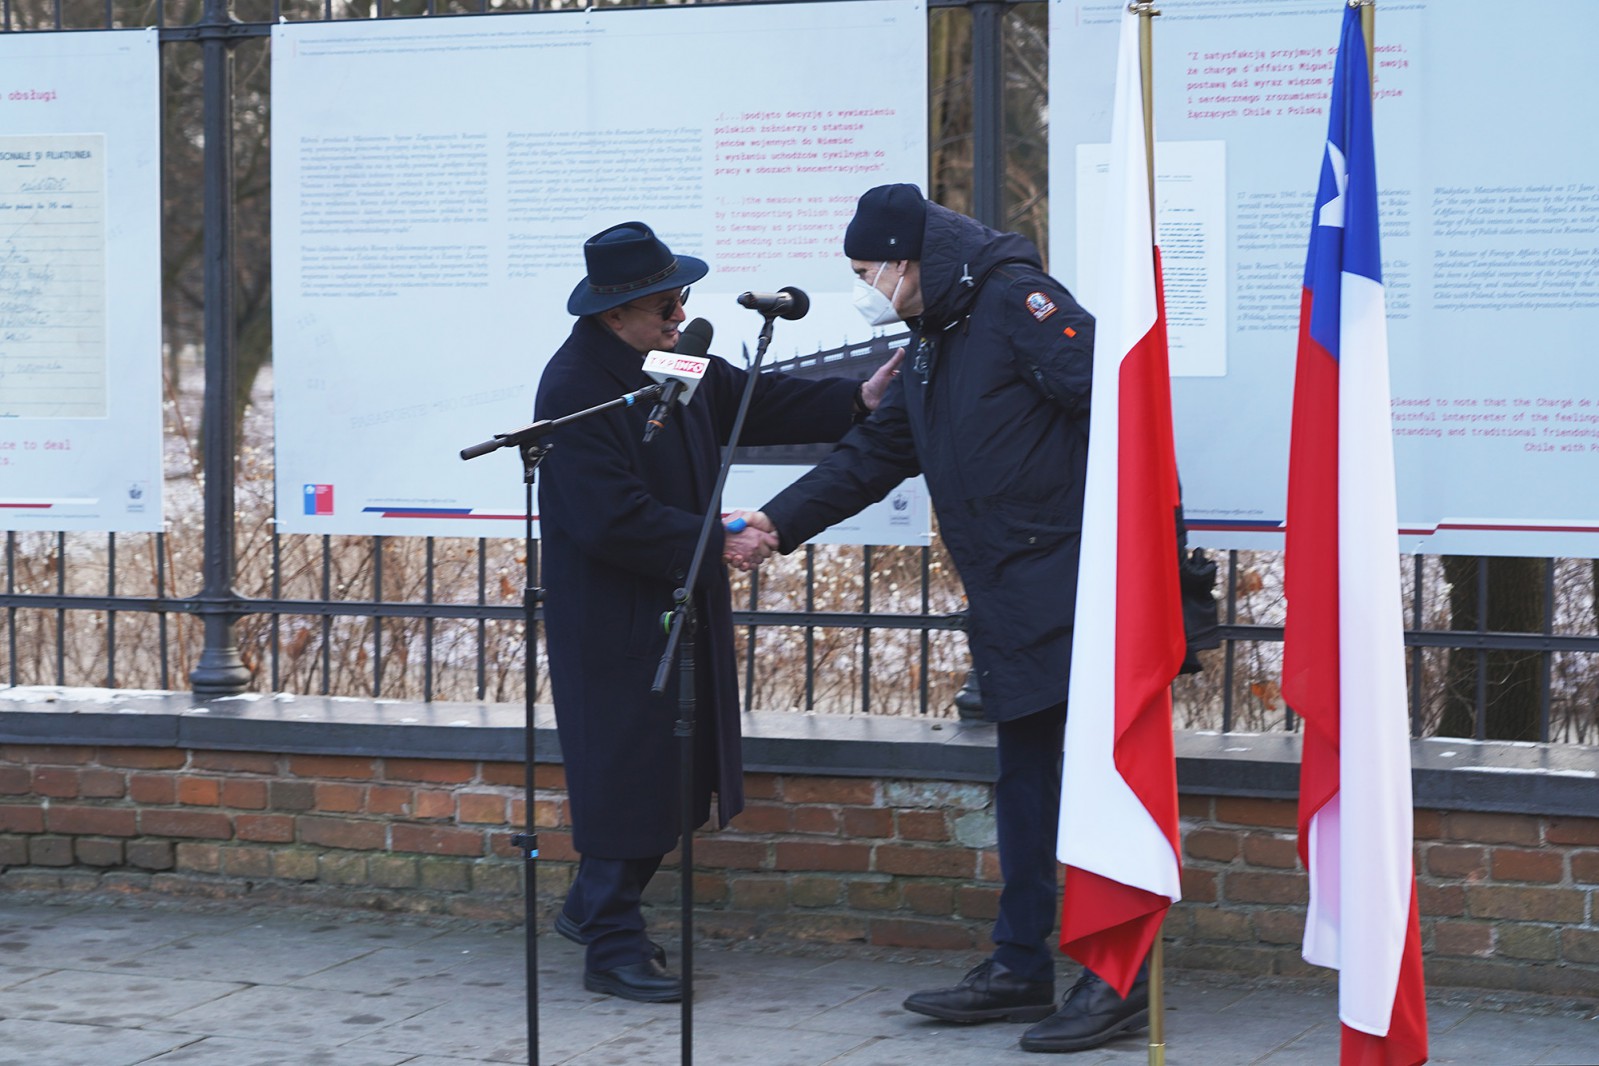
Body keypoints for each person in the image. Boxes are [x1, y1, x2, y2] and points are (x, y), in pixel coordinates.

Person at [729, 184, 1147, 1054]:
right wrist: (776, 523)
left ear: (904, 262)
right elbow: (877, 453)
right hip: (1010, 592)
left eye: (863, 272)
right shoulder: (934, 336)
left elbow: (1123, 409)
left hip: (1075, 582)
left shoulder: (1015, 304)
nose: (863, 288)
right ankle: (1018, 965)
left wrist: (1146, 564)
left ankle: (1118, 980)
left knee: (1095, 787)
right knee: (1026, 785)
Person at [535, 220, 900, 1003]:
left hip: (676, 593)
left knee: (674, 769)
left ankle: (591, 908)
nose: (679, 314)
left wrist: (856, 398)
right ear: (614, 314)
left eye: (681, 298)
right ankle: (609, 943)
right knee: (627, 771)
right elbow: (608, 517)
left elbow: (747, 402)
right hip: (614, 614)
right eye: (665, 303)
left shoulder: (667, 357)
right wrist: (715, 540)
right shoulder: (574, 387)